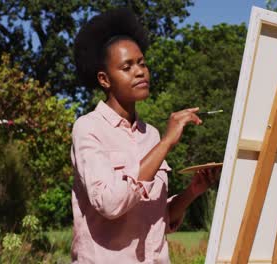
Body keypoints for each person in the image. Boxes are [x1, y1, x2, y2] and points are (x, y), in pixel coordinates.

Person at [71, 8, 219, 263]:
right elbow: (110, 204)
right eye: (127, 67)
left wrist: (192, 192)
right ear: (104, 79)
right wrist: (166, 143)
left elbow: (156, 218)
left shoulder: (149, 134)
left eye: (142, 63)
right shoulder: (88, 128)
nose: (140, 72)